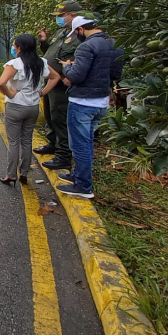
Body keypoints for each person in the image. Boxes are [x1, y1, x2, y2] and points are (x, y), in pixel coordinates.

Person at [57, 16, 124, 199]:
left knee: (79, 144)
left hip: (82, 103)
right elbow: (117, 73)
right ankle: (77, 175)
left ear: (80, 29)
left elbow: (76, 76)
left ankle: (84, 186)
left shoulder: (86, 47)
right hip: (101, 102)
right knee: (86, 142)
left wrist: (67, 67)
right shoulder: (114, 44)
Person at [0, 34, 60, 186]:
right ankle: (24, 173)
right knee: (26, 141)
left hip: (16, 106)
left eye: (14, 45)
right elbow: (55, 76)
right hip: (33, 107)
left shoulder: (15, 64)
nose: (13, 48)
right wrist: (42, 92)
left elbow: (1, 83)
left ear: (19, 48)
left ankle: (10, 175)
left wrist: (11, 94)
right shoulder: (41, 63)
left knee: (13, 142)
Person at [35, 1, 83, 171]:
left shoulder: (80, 36)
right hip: (50, 81)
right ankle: (53, 143)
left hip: (62, 83)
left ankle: (64, 155)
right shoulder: (61, 32)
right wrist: (44, 41)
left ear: (73, 15)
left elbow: (79, 59)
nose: (60, 19)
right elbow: (52, 52)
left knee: (60, 118)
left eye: (62, 16)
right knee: (50, 115)